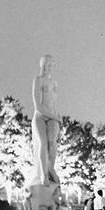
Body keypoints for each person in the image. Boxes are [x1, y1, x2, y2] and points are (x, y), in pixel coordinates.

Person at [31, 55, 61, 186]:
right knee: (43, 142)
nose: (51, 67)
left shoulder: (54, 83)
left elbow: (54, 103)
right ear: (43, 65)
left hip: (52, 117)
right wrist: (56, 117)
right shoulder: (38, 80)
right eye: (49, 64)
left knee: (52, 143)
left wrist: (56, 116)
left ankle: (51, 169)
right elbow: (38, 106)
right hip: (40, 116)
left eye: (53, 65)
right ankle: (44, 173)